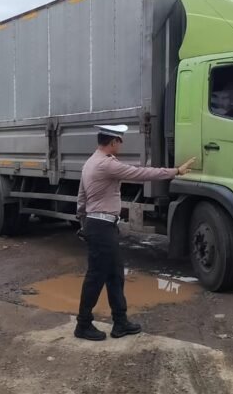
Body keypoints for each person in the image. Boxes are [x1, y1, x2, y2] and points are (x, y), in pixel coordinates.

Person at [74, 124, 195, 341]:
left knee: (115, 275)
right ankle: (83, 324)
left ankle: (120, 322)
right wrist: (176, 171)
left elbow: (82, 198)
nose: (122, 144)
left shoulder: (90, 162)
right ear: (113, 142)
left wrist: (83, 222)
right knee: (96, 276)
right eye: (120, 141)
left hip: (99, 226)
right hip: (101, 227)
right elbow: (140, 173)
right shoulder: (106, 164)